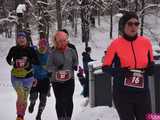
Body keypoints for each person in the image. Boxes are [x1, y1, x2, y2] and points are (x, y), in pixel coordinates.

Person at [102, 11, 154, 120]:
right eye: (130, 24)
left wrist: (151, 68)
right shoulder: (115, 44)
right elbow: (105, 67)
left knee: (149, 118)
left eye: (136, 24)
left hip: (142, 92)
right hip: (122, 93)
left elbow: (151, 62)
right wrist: (121, 72)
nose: (133, 26)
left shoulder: (146, 42)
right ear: (123, 26)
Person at [6, 32, 39, 120]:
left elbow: (36, 61)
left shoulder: (31, 50)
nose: (21, 39)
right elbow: (8, 59)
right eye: (19, 37)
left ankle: (21, 116)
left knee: (24, 97)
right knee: (20, 95)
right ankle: (19, 115)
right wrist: (12, 62)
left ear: (26, 39)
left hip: (28, 78)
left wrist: (28, 61)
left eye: (23, 37)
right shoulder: (13, 49)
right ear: (17, 40)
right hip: (16, 77)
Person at [47, 31, 78, 120]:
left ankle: (68, 117)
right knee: (59, 100)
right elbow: (48, 67)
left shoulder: (71, 50)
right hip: (56, 80)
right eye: (60, 41)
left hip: (69, 79)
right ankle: (61, 118)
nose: (62, 43)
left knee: (68, 99)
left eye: (64, 40)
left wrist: (75, 66)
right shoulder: (52, 52)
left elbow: (75, 60)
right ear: (56, 41)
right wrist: (56, 67)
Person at [28, 38, 50, 120]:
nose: (42, 47)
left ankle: (39, 114)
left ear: (47, 46)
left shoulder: (49, 54)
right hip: (35, 78)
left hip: (45, 79)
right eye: (41, 45)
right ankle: (32, 103)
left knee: (43, 98)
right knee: (33, 96)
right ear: (39, 45)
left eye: (44, 45)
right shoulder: (35, 53)